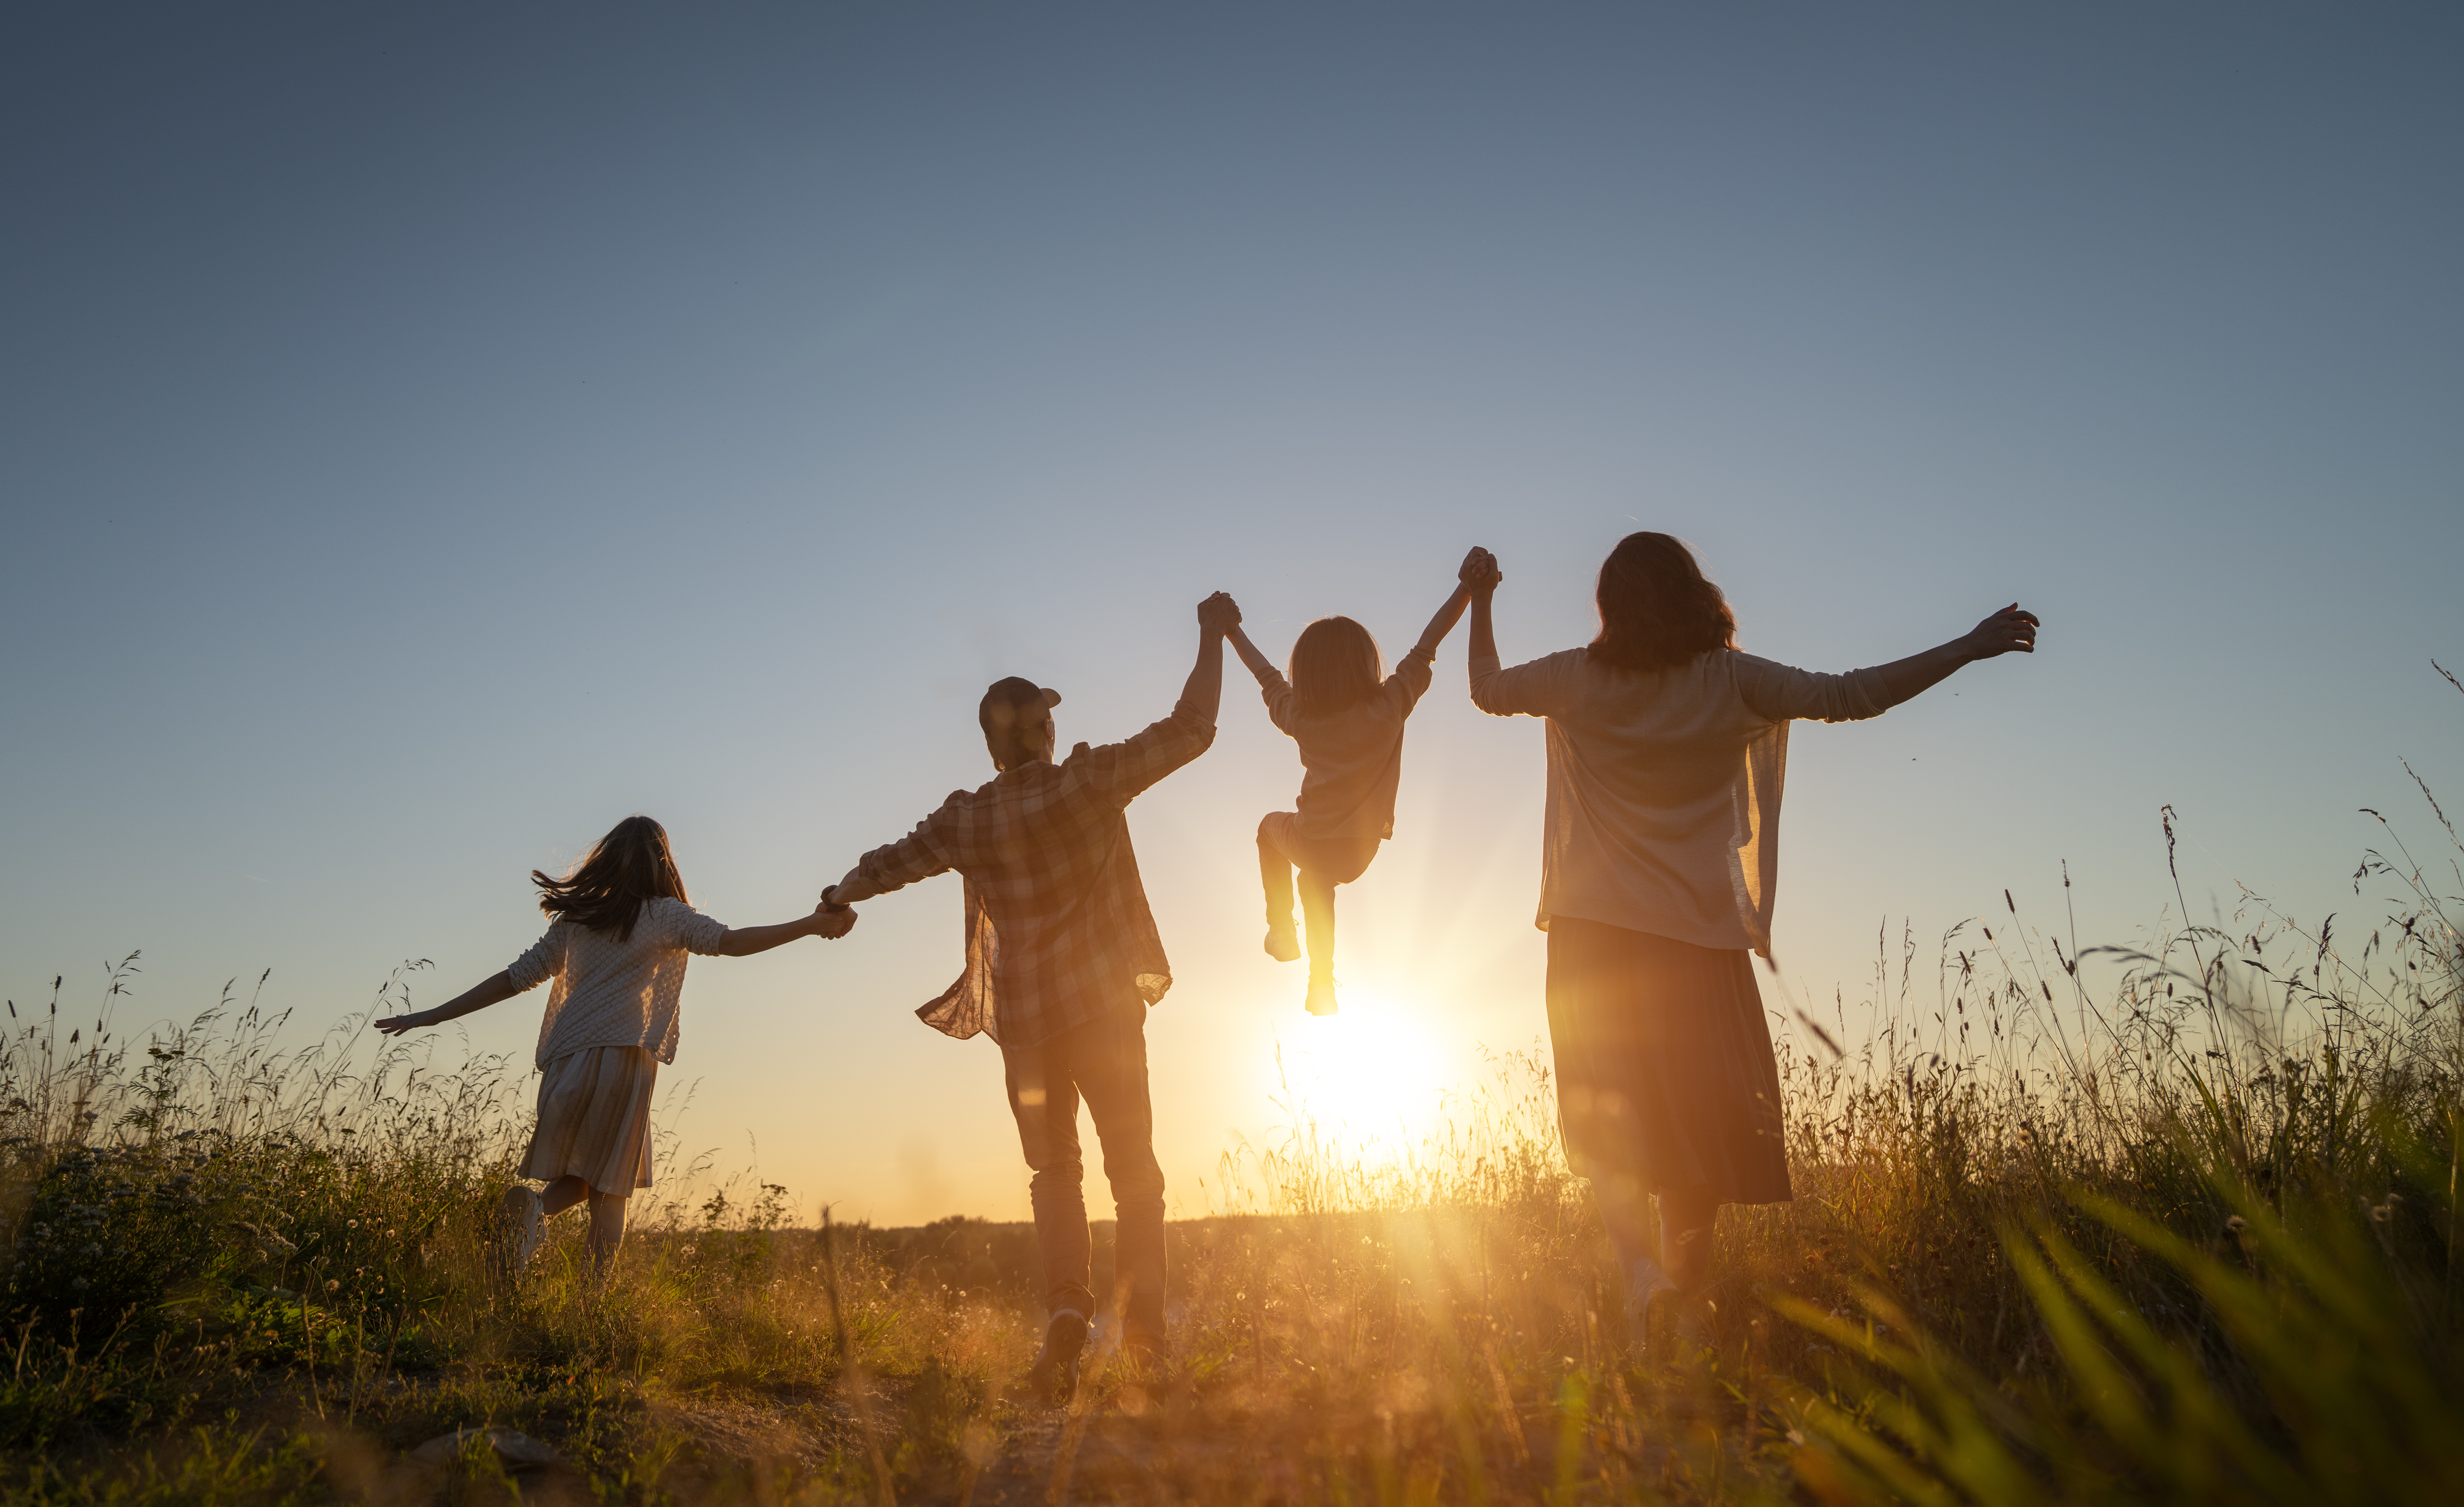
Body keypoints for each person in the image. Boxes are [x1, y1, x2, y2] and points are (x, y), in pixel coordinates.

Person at [1462, 534, 2038, 1343]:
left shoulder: (1575, 678)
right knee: (1698, 1124)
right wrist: (1968, 647)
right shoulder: (1733, 681)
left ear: (1610, 606)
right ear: (1697, 592)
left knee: (1612, 1122)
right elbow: (1854, 695)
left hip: (1591, 940)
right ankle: (1681, 1298)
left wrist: (1482, 596)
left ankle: (1642, 1282)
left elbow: (1485, 688)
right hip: (1695, 942)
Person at [823, 591, 1240, 1397]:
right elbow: (1192, 727)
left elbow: (888, 863)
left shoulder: (967, 818)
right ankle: (1147, 1341)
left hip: (1026, 1028)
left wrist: (838, 893)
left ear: (989, 748)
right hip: (1105, 1014)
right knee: (1137, 1175)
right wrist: (1211, 634)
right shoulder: (1088, 781)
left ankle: (1066, 1315)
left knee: (1055, 1174)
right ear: (1046, 732)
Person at [374, 815, 854, 1285]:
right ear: (662, 863)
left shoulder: (576, 920)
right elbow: (731, 942)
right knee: (611, 1192)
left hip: (565, 1062)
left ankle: (534, 1212)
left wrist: (431, 1015)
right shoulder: (665, 914)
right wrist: (812, 924)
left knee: (586, 1175)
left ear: (605, 861)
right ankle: (590, 1313)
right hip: (623, 1059)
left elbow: (512, 979)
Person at [1224, 579, 1472, 1014]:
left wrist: (1231, 631)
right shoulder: (1390, 704)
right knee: (1313, 880)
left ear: (1304, 674)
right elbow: (1427, 644)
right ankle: (1321, 984)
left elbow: (1265, 675)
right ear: (1367, 663)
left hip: (1310, 839)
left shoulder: (1299, 717)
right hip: (1360, 851)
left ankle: (1280, 927)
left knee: (1269, 829)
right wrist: (1466, 589)